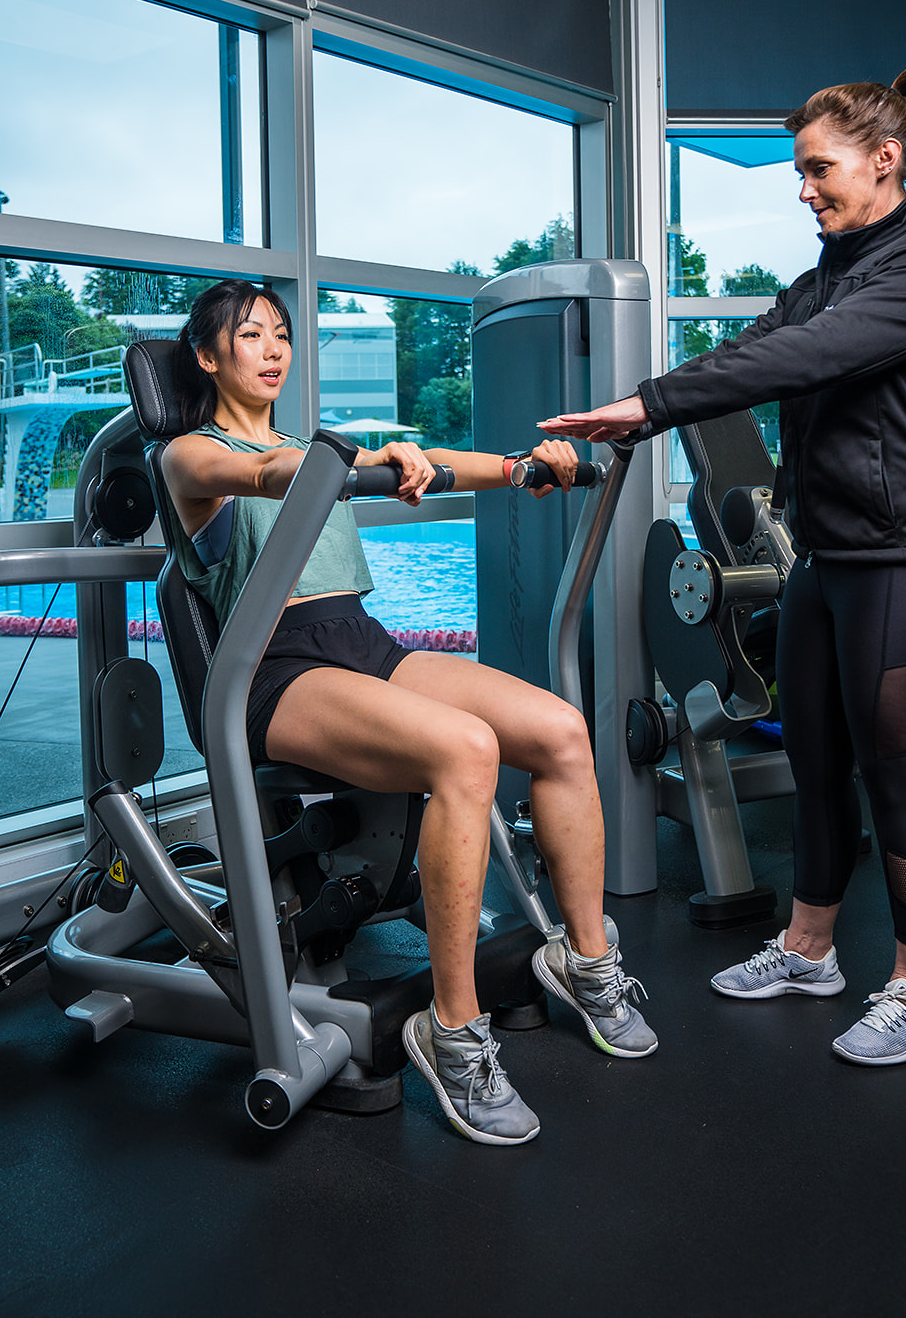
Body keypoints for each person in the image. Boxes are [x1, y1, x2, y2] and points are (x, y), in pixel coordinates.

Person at [540, 68, 906, 1066]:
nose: (802, 187)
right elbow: (747, 352)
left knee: (895, 777)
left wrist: (648, 405)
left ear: (884, 158)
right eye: (796, 171)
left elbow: (802, 360)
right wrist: (638, 402)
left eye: (815, 168)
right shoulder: (817, 281)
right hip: (829, 559)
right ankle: (807, 947)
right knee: (816, 764)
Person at [162, 279, 657, 1146]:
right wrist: (358, 459)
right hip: (270, 673)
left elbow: (425, 464)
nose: (274, 349)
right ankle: (454, 1030)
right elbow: (259, 472)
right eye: (251, 336)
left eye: (282, 334)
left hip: (363, 642)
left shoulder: (310, 447)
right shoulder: (188, 458)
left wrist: (520, 469)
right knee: (465, 751)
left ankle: (586, 961)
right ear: (207, 357)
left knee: (557, 732)